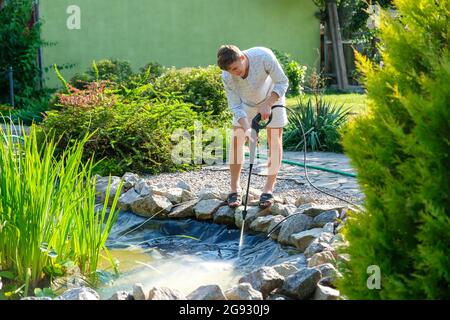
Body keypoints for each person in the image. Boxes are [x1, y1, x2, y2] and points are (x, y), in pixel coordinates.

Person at [217, 45, 289, 209]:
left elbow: (282, 82)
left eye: (235, 68)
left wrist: (268, 104)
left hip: (273, 98)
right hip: (246, 105)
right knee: (237, 140)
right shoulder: (227, 75)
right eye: (230, 70)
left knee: (274, 140)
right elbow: (235, 106)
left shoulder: (263, 56)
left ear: (242, 57)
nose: (234, 73)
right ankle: (235, 188)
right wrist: (248, 129)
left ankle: (268, 190)